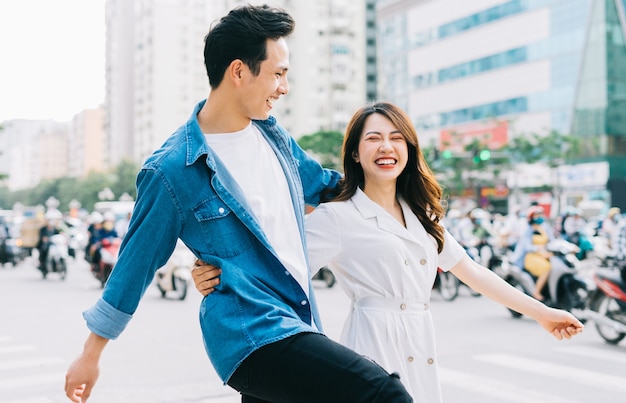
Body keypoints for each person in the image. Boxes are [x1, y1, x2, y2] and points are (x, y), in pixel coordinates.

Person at [64, 5, 412, 403]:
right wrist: (90, 355)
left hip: (296, 320)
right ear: (239, 72)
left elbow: (327, 186)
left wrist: (399, 177)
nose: (284, 87)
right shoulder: (173, 170)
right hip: (250, 333)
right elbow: (134, 265)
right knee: (385, 394)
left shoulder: (273, 137)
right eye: (278, 74)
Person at [193, 102, 584, 401]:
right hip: (372, 342)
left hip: (420, 337)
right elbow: (272, 264)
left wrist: (542, 313)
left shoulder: (423, 216)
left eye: (396, 138)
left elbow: (473, 272)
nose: (386, 146)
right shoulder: (338, 217)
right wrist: (214, 269)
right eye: (374, 138)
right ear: (356, 154)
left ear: (409, 150)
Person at [513, 206, 555, 300]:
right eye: (537, 215)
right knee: (546, 268)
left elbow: (552, 241)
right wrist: (539, 249)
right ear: (531, 217)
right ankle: (536, 292)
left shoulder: (544, 227)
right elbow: (527, 246)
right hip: (530, 256)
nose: (540, 217)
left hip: (545, 254)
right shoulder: (527, 230)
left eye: (541, 215)